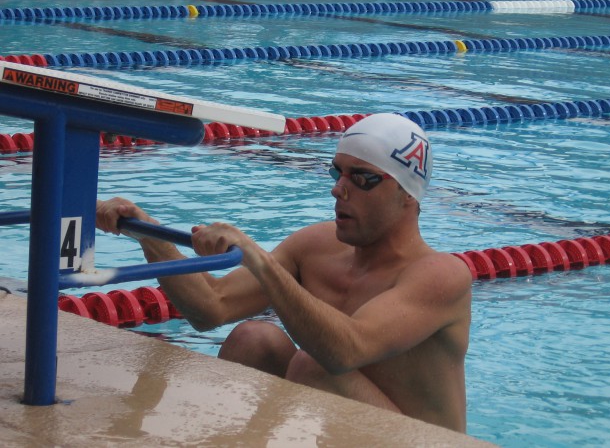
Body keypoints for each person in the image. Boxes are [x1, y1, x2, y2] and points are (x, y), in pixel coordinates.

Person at [96, 113, 472, 432]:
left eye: (362, 178)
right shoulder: (317, 247)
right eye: (337, 172)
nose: (338, 190)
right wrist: (144, 231)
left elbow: (345, 350)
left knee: (314, 366)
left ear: (409, 193)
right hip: (351, 427)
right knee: (253, 340)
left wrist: (260, 261)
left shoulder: (440, 276)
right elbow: (210, 307)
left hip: (420, 441)